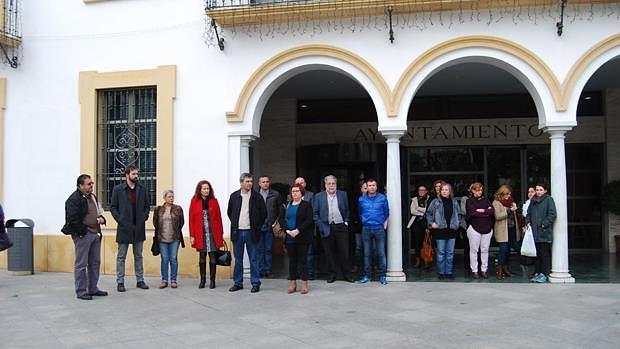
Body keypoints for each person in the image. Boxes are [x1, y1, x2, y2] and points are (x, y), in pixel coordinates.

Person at [61, 174, 107, 300]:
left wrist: (102, 218)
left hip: (95, 233)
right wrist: (83, 232)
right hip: (83, 235)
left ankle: (92, 288)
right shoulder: (73, 199)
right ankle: (81, 291)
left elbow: (98, 211)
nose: (91, 186)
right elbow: (73, 219)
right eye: (88, 184)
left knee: (95, 262)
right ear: (80, 185)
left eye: (92, 183)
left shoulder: (92, 197)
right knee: (81, 264)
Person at [111, 165, 150, 292]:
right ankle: (120, 282)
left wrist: (144, 217)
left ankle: (140, 280)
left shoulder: (142, 189)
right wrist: (120, 219)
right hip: (124, 227)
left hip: (138, 227)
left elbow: (146, 207)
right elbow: (113, 207)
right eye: (133, 174)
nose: (136, 176)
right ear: (127, 175)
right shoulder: (118, 189)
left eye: (137, 174)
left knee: (138, 255)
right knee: (121, 256)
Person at [227, 173, 267, 293]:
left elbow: (263, 214)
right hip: (237, 232)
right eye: (247, 181)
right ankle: (238, 283)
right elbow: (230, 212)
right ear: (241, 183)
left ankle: (255, 283)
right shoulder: (234, 196)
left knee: (254, 258)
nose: (250, 183)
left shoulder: (257, 197)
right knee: (238, 259)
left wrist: (256, 226)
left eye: (251, 181)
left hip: (252, 232)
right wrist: (236, 223)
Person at [313, 175, 353, 283]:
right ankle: (332, 274)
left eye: (333, 183)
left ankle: (347, 274)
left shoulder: (343, 194)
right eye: (329, 184)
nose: (331, 186)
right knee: (329, 252)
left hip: (341, 226)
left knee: (344, 252)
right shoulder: (318, 196)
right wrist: (320, 225)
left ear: (336, 184)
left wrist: (346, 222)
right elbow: (315, 214)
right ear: (325, 185)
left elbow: (347, 210)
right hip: (326, 227)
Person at [189, 180, 225, 289]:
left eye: (208, 188)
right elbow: (191, 219)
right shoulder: (194, 201)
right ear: (199, 190)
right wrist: (192, 235)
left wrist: (221, 234)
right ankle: (203, 280)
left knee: (213, 255)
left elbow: (219, 218)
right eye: (204, 189)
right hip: (200, 233)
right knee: (202, 256)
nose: (206, 190)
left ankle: (212, 280)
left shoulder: (214, 201)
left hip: (213, 233)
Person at [426, 182, 461, 280]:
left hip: (452, 231)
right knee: (441, 253)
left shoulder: (454, 202)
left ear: (450, 191)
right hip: (440, 231)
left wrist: (457, 223)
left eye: (446, 190)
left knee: (450, 253)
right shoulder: (435, 202)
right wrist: (431, 223)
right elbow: (428, 213)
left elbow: (459, 214)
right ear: (440, 191)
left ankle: (449, 272)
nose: (444, 191)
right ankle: (441, 272)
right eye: (442, 190)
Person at [358, 179, 389, 285]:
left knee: (381, 253)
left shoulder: (382, 198)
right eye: (369, 185)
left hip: (379, 228)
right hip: (366, 228)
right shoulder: (361, 199)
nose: (371, 187)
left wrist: (383, 223)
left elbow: (386, 212)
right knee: (367, 254)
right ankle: (367, 275)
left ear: (376, 187)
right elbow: (360, 212)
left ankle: (383, 275)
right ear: (367, 187)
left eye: (373, 185)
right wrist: (364, 220)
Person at [284, 184, 314, 294]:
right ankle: (292, 284)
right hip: (290, 237)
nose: (295, 193)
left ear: (302, 193)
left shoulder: (306, 205)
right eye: (293, 191)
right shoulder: (288, 205)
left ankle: (304, 284)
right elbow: (284, 219)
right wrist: (287, 230)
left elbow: (309, 220)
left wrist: (297, 230)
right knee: (292, 261)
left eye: (297, 191)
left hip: (302, 237)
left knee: (303, 261)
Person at [525, 183, 557, 283]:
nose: (538, 192)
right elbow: (528, 214)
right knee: (537, 255)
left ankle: (543, 274)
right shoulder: (533, 201)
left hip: (544, 232)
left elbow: (552, 214)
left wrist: (544, 224)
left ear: (545, 191)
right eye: (537, 189)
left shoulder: (549, 200)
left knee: (544, 254)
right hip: (534, 232)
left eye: (540, 190)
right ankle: (538, 273)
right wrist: (528, 223)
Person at [153, 190, 185, 289]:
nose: (171, 198)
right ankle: (164, 280)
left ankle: (173, 280)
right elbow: (155, 223)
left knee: (173, 259)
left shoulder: (178, 209)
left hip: (175, 238)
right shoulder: (158, 209)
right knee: (164, 259)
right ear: (165, 198)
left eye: (172, 196)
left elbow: (181, 222)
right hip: (162, 238)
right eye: (169, 196)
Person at [465, 183, 494, 279]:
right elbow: (472, 213)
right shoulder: (469, 201)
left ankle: (484, 270)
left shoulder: (486, 200)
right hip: (474, 228)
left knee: (485, 250)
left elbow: (492, 211)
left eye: (481, 190)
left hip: (487, 228)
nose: (479, 192)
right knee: (474, 250)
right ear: (472, 191)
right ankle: (474, 270)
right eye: (477, 190)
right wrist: (485, 211)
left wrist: (482, 211)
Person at [288, 176, 315, 279]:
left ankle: (309, 273)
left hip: (305, 232)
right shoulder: (289, 200)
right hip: (291, 234)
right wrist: (288, 229)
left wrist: (298, 229)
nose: (299, 185)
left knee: (307, 255)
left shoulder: (310, 196)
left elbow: (310, 216)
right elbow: (285, 217)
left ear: (305, 184)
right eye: (297, 183)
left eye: (301, 183)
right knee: (293, 258)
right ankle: (295, 276)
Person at [492, 185, 521, 280]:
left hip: (511, 229)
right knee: (503, 250)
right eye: (507, 194)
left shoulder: (511, 202)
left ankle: (506, 269)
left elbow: (516, 215)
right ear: (502, 194)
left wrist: (515, 210)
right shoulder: (496, 202)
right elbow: (497, 216)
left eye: (509, 194)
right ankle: (499, 270)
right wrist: (508, 210)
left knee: (508, 250)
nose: (508, 196)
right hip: (502, 231)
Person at [258, 175, 282, 278]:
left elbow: (280, 210)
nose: (265, 183)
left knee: (268, 249)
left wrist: (275, 222)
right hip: (258, 226)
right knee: (259, 249)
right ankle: (260, 271)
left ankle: (268, 270)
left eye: (267, 181)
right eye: (263, 182)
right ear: (259, 183)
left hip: (269, 225)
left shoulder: (275, 194)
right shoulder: (255, 195)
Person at [406, 185, 429, 269]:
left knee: (426, 242)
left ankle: (426, 260)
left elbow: (429, 210)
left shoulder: (429, 199)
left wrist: (418, 208)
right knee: (417, 242)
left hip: (426, 223)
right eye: (420, 190)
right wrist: (423, 211)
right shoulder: (414, 199)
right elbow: (412, 211)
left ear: (426, 191)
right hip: (416, 223)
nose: (421, 191)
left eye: (423, 190)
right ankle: (418, 260)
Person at [351, 182, 367, 273]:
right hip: (359, 227)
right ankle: (357, 265)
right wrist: (356, 221)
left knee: (372, 248)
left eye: (367, 188)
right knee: (359, 247)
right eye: (364, 188)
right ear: (361, 189)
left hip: (370, 226)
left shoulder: (374, 199)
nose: (366, 190)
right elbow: (353, 212)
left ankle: (373, 266)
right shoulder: (357, 200)